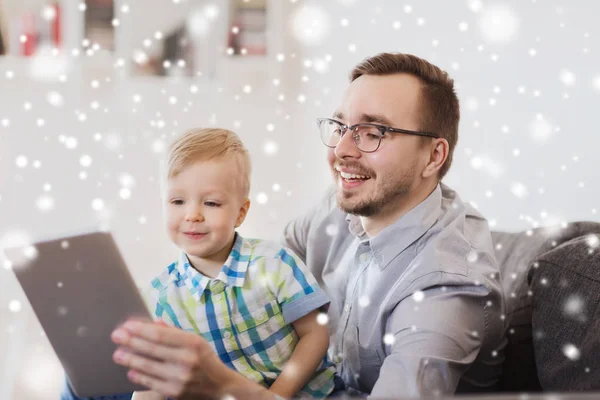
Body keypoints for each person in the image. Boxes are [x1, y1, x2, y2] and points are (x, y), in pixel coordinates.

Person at [110, 52, 507, 399]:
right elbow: (257, 277)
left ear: (433, 156)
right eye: (340, 127)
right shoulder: (341, 208)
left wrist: (220, 385)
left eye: (373, 133)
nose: (342, 151)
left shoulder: (447, 286)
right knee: (96, 382)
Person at [125, 128, 335, 399]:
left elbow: (315, 336)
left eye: (211, 203)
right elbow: (152, 384)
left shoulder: (274, 263)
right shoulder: (159, 299)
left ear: (241, 212)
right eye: (177, 201)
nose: (192, 215)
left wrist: (277, 396)